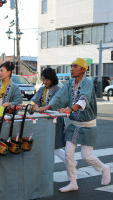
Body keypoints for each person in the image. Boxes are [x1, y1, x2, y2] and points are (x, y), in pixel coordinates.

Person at [41, 58, 111, 193]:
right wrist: (47, 107)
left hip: (88, 125)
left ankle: (104, 168)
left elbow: (84, 99)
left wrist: (70, 109)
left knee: (86, 156)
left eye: (75, 66)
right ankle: (73, 182)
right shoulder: (69, 83)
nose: (71, 68)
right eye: (71, 66)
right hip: (74, 125)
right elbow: (59, 97)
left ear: (83, 70)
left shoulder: (88, 82)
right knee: (68, 154)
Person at [30, 68, 68, 164]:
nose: (44, 82)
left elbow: (55, 103)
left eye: (47, 79)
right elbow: (35, 100)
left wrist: (46, 107)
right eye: (43, 79)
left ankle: (69, 162)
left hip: (55, 120)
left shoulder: (58, 90)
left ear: (52, 79)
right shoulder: (42, 89)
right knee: (47, 144)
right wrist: (30, 105)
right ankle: (51, 166)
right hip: (44, 119)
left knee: (54, 146)